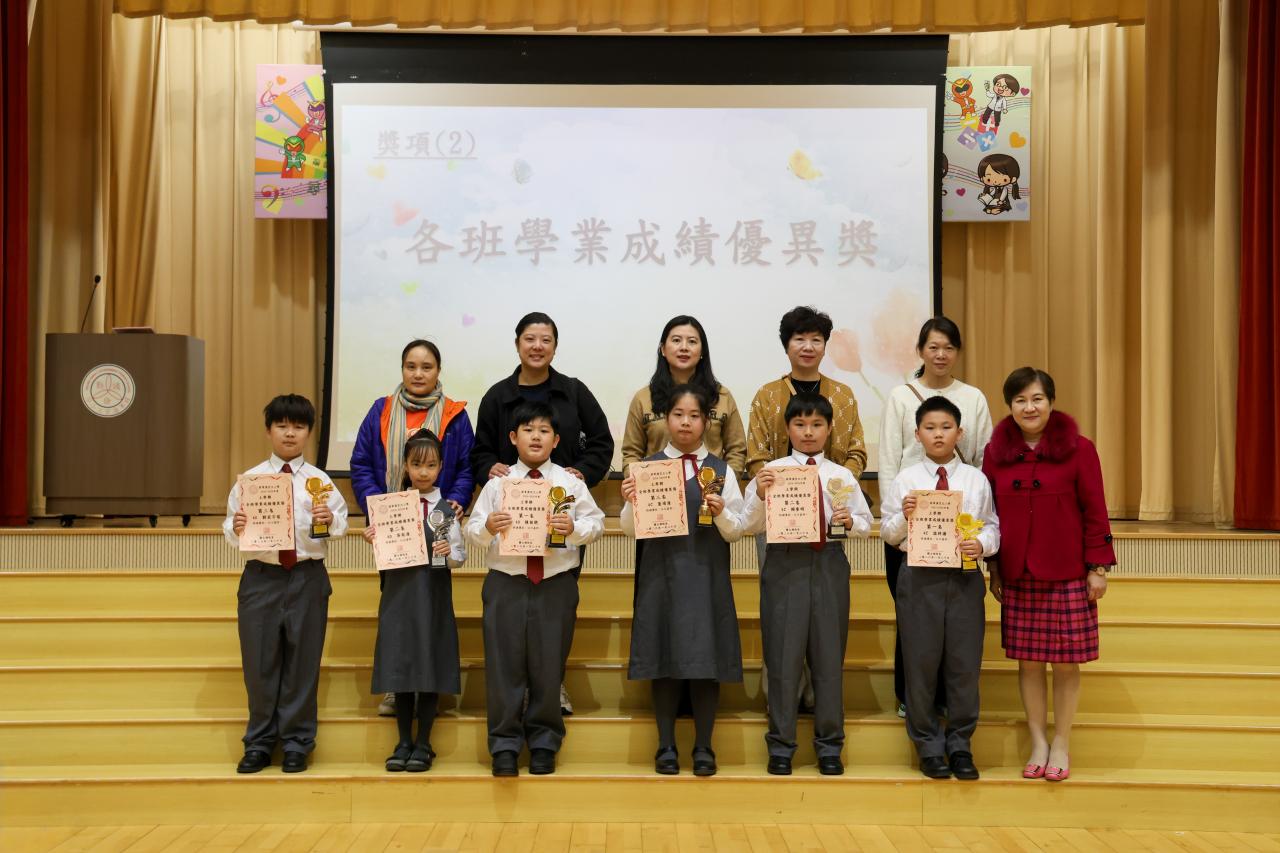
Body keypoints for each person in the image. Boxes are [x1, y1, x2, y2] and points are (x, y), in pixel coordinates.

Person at [471, 312, 614, 716]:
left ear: (555, 346)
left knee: (555, 615)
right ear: (517, 343)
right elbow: (480, 451)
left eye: (546, 339)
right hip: (512, 526)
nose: (537, 346)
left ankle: (552, 685)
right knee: (514, 622)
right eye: (530, 339)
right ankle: (516, 697)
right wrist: (490, 469)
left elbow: (602, 443)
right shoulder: (497, 396)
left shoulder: (574, 391)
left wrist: (580, 474)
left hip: (561, 519)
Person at [984, 367, 1115, 783]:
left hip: (1067, 571)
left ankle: (1061, 742)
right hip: (1018, 572)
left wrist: (1097, 567)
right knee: (1028, 663)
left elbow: (1096, 510)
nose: (1029, 407)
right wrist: (994, 568)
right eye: (1020, 400)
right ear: (1010, 406)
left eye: (1037, 399)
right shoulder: (995, 453)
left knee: (1066, 664)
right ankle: (1038, 742)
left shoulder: (1080, 449)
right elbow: (989, 516)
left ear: (1051, 402)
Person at [464, 400, 605, 777]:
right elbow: (471, 531)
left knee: (548, 666)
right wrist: (487, 527)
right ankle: (504, 745)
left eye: (544, 431)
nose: (536, 437)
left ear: (556, 440)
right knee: (503, 667)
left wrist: (573, 529)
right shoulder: (498, 483)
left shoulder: (570, 483)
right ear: (514, 437)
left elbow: (596, 524)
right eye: (528, 430)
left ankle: (544, 742)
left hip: (555, 583)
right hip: (506, 583)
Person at [620, 384, 748, 777]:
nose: (686, 423)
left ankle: (704, 747)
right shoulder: (648, 468)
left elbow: (736, 531)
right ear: (666, 419)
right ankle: (666, 746)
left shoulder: (722, 471)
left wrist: (721, 512)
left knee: (706, 660)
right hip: (661, 576)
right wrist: (630, 501)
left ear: (707, 421)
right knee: (664, 657)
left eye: (695, 416)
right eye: (678, 415)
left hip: (707, 577)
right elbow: (630, 530)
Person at [742, 392, 873, 777]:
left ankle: (830, 747)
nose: (808, 432)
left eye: (817, 424)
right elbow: (748, 525)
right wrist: (760, 494)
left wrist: (851, 523)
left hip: (829, 563)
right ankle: (780, 746)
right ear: (787, 429)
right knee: (782, 659)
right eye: (800, 424)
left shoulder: (841, 475)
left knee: (829, 659)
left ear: (830, 429)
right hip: (784, 564)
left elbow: (866, 525)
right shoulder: (772, 472)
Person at [746, 305, 867, 712]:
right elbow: (755, 455)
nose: (808, 346)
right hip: (777, 522)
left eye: (816, 339)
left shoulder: (843, 396)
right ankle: (782, 699)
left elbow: (856, 452)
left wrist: (836, 490)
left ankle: (820, 699)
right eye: (800, 338)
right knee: (781, 612)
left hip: (830, 522)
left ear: (825, 346)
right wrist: (778, 492)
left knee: (823, 614)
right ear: (787, 345)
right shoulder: (767, 395)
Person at [223, 394, 348, 775]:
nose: (290, 433)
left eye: (298, 426)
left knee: (302, 664)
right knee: (259, 664)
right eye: (282, 425)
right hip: (262, 579)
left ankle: (297, 743)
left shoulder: (321, 482)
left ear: (309, 433)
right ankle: (259, 743)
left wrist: (329, 520)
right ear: (269, 431)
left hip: (308, 577)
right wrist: (237, 527)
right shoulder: (251, 480)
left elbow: (340, 527)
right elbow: (230, 528)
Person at [349, 338, 474, 717]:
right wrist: (379, 509)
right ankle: (397, 684)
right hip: (394, 529)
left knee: (433, 609)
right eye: (411, 366)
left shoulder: (455, 415)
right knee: (396, 610)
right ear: (402, 369)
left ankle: (430, 683)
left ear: (439, 371)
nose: (418, 374)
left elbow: (466, 467)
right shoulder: (381, 410)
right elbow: (361, 464)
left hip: (437, 519)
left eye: (426, 367)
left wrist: (453, 503)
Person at [878, 317, 993, 719]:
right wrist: (896, 521)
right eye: (933, 347)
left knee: (955, 619)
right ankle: (909, 696)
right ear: (920, 351)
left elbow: (982, 456)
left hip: (958, 527)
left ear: (957, 352)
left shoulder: (973, 397)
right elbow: (888, 460)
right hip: (910, 525)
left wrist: (973, 518)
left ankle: (949, 699)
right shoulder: (900, 396)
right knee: (912, 615)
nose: (941, 354)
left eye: (948, 347)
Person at [880, 396, 1000, 781]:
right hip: (919, 578)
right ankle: (928, 746)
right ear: (917, 434)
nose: (938, 434)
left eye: (946, 427)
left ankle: (960, 744)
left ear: (959, 433)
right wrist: (905, 516)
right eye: (929, 428)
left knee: (964, 664)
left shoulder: (976, 480)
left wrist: (982, 545)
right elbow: (888, 533)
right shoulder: (907, 480)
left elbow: (992, 526)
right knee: (920, 664)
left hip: (964, 578)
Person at [363, 430, 466, 773]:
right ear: (405, 466)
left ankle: (424, 742)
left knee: (429, 663)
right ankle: (403, 741)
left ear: (441, 467)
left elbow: (460, 557)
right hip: (399, 596)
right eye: (417, 464)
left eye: (431, 465)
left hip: (433, 596)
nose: (423, 472)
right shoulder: (390, 507)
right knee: (401, 663)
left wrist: (449, 553)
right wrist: (373, 537)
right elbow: (384, 554)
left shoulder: (447, 509)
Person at [621, 315, 747, 479]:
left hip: (710, 490)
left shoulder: (722, 396)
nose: (684, 347)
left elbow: (737, 450)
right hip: (660, 490)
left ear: (702, 351)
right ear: (663, 349)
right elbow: (631, 453)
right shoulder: (643, 398)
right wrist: (639, 483)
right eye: (676, 340)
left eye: (692, 342)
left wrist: (720, 485)